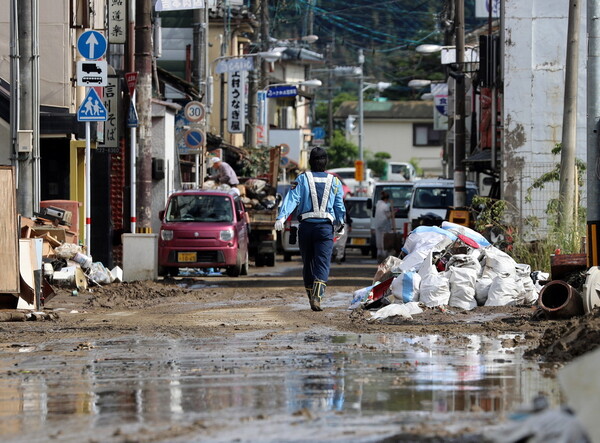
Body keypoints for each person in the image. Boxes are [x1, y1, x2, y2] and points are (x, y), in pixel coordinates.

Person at [274, 147, 346, 311]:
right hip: (325, 229)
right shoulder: (334, 181)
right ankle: (317, 298)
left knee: (308, 263)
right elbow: (339, 206)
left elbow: (291, 199)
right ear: (325, 162)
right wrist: (341, 224)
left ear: (310, 162)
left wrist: (281, 217)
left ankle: (310, 296)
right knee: (322, 262)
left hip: (306, 227)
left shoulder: (301, 179)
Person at [374, 190, 393, 262]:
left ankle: (379, 255)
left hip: (377, 225)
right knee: (384, 241)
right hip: (384, 226)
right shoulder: (385, 206)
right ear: (386, 199)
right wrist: (393, 212)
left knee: (378, 240)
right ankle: (384, 257)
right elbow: (388, 216)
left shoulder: (378, 204)